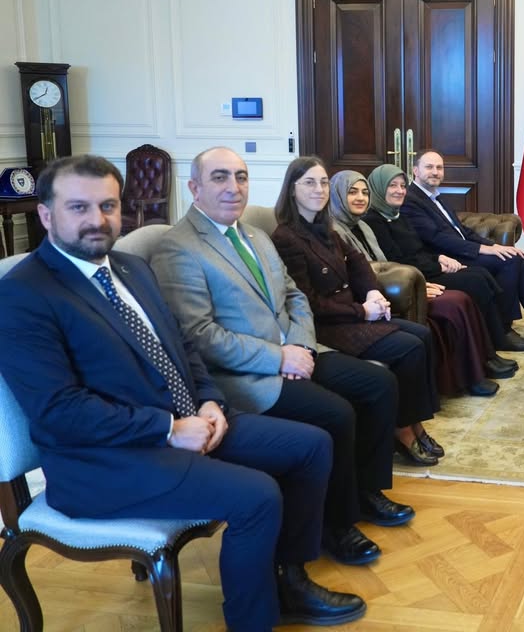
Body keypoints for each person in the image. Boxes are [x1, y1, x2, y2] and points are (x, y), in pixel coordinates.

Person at [0, 155, 365, 629]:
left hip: (185, 422)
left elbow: (183, 347)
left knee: (311, 445)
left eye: (108, 206)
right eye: (78, 207)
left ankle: (288, 580)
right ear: (46, 215)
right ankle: (252, 620)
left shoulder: (131, 267)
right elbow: (58, 411)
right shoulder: (23, 293)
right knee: (258, 496)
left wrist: (210, 401)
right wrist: (169, 429)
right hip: (104, 463)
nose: (97, 220)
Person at [152, 146, 413, 569]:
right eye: (220, 177)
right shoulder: (178, 248)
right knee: (336, 413)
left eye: (241, 177)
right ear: (194, 188)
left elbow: (294, 296)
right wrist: (279, 358)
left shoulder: (255, 236)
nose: (233, 187)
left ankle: (366, 491)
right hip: (246, 375)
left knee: (378, 383)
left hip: (298, 350)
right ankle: (336, 526)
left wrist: (303, 347)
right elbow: (200, 337)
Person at [270, 158, 454, 469]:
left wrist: (372, 292)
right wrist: (362, 311)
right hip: (328, 326)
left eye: (323, 182)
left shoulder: (327, 228)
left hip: (351, 315)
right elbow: (307, 303)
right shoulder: (286, 237)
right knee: (409, 347)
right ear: (291, 190)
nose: (319, 189)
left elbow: (358, 264)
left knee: (422, 335)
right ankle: (403, 430)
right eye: (309, 183)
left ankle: (414, 422)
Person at [353, 164, 524, 366]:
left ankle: (494, 342)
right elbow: (398, 260)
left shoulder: (397, 215)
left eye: (402, 185)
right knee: (477, 280)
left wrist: (438, 258)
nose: (400, 191)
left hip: (426, 266)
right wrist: (437, 266)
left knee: (481, 275)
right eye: (392, 185)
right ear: (378, 188)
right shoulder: (374, 221)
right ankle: (491, 350)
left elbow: (419, 248)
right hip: (416, 276)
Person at [401, 149, 524, 344]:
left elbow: (463, 231)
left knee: (515, 257)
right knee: (510, 262)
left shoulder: (436, 197)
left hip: (461, 251)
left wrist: (496, 246)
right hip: (446, 259)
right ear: (415, 170)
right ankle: (504, 330)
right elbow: (437, 238)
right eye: (429, 167)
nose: (435, 172)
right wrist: (484, 250)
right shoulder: (411, 200)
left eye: (439, 168)